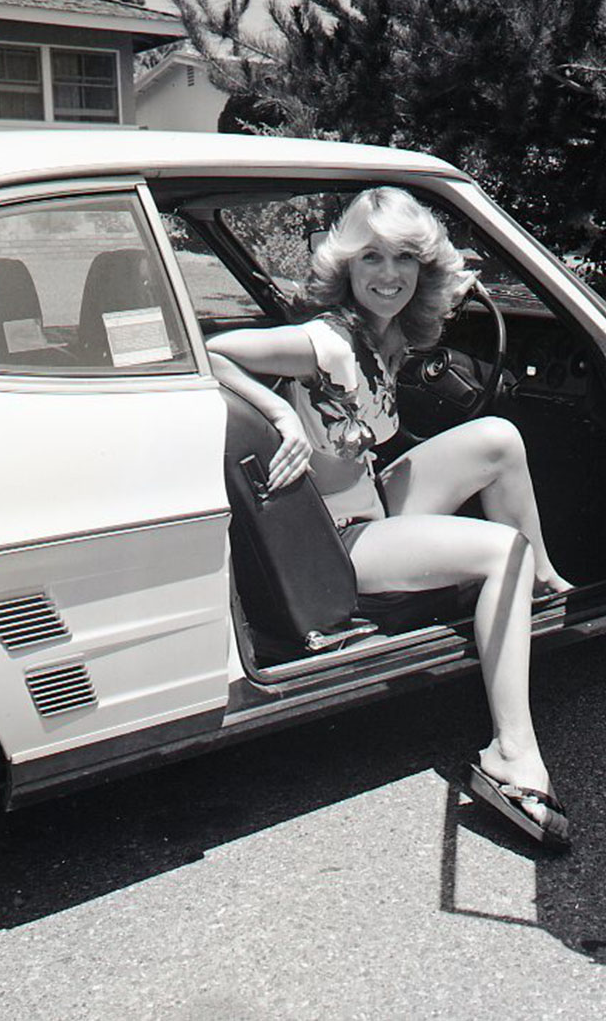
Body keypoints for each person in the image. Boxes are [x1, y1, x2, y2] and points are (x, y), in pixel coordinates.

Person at [207, 187, 572, 848]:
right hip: (343, 540)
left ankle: (546, 581)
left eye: (405, 257)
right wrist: (282, 414)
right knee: (501, 551)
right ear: (345, 264)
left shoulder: (390, 337)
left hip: (371, 500)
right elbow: (215, 353)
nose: (389, 274)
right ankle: (511, 752)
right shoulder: (325, 341)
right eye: (371, 257)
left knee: (499, 438)